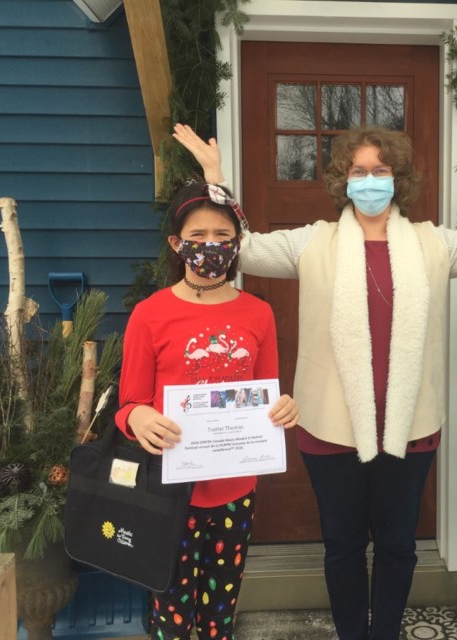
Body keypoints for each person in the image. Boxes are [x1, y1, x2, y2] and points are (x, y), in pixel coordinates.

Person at [173, 122, 457, 640]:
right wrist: (214, 176)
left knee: (398, 545)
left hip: (411, 428)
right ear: (343, 179)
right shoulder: (313, 242)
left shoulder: (434, 243)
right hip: (328, 430)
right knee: (340, 545)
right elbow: (240, 249)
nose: (369, 181)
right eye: (358, 171)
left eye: (379, 171)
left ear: (397, 178)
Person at [114, 182, 300, 640]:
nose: (211, 246)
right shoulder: (150, 314)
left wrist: (283, 409)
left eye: (223, 234)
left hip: (235, 490)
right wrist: (136, 417)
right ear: (177, 244)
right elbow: (128, 403)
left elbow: (267, 392)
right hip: (169, 490)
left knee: (221, 612)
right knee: (171, 612)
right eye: (198, 236)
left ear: (237, 244)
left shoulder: (258, 313)